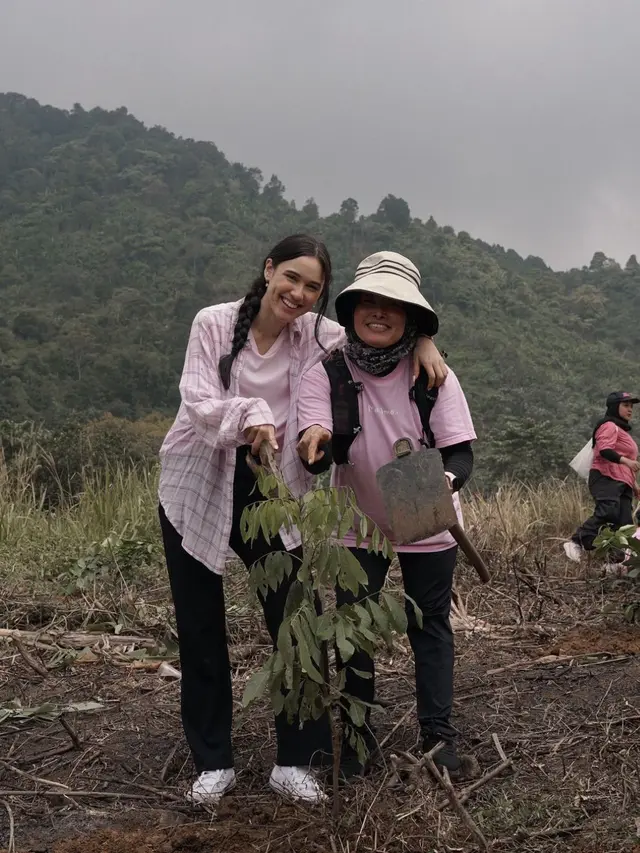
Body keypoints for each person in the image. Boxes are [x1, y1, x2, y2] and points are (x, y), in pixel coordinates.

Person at [158, 235, 448, 805]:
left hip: (277, 494)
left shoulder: (319, 334)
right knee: (199, 627)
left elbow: (379, 331)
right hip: (197, 484)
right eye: (290, 277)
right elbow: (197, 399)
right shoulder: (213, 324)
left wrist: (427, 342)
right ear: (268, 271)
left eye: (312, 286)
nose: (297, 293)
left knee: (294, 623)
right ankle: (212, 760)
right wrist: (255, 416)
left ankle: (297, 759)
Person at [296, 251, 476, 778]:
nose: (379, 312)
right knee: (355, 628)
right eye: (368, 301)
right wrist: (317, 444)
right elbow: (316, 438)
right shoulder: (326, 372)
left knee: (432, 627)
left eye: (392, 304)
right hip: (360, 524)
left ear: (411, 317)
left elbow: (459, 451)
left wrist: (442, 484)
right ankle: (357, 739)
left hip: (427, 518)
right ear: (351, 309)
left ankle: (439, 737)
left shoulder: (432, 373)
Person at [564, 392, 640, 564]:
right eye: (625, 405)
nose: (630, 410)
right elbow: (604, 450)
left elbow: (625, 465)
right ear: (615, 406)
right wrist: (626, 460)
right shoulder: (608, 425)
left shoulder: (622, 431)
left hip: (623, 482)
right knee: (608, 511)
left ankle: (614, 563)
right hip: (606, 477)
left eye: (631, 406)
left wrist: (634, 485)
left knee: (624, 525)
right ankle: (576, 542)